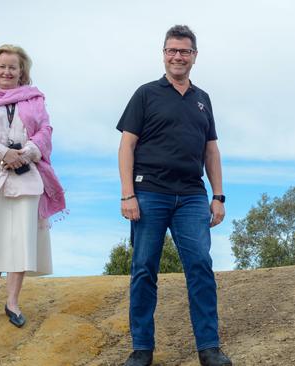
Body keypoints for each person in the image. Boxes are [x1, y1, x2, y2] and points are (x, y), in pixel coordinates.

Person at [117, 25, 231, 366]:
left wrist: (218, 196)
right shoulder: (145, 94)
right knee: (143, 270)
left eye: (184, 51)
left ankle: (209, 348)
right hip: (149, 193)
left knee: (200, 266)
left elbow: (211, 151)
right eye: (172, 50)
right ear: (164, 54)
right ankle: (142, 349)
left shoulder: (202, 99)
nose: (177, 56)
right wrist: (127, 195)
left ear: (194, 56)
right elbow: (127, 146)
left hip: (193, 197)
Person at [0, 44, 65, 328]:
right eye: (2, 66)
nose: (7, 71)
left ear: (22, 72)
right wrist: (2, 152)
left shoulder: (35, 100)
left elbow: (45, 131)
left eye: (12, 67)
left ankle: (13, 304)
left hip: (27, 174)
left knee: (21, 239)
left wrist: (26, 152)